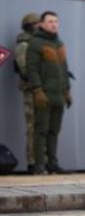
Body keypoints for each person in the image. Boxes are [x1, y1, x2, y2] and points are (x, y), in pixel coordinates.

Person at [25, 11, 72, 175]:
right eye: (50, 21)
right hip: (44, 95)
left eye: (56, 21)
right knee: (41, 130)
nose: (54, 24)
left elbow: (64, 69)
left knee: (54, 131)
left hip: (58, 94)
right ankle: (39, 164)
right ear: (42, 24)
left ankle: (52, 163)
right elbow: (32, 69)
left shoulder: (59, 43)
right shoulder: (35, 43)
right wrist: (37, 90)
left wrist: (67, 90)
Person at [14, 13, 41, 173]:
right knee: (32, 127)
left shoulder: (37, 43)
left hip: (40, 90)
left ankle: (41, 162)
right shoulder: (24, 45)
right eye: (38, 23)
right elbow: (25, 70)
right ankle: (32, 163)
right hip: (31, 90)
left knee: (41, 127)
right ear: (30, 25)